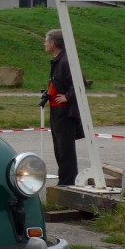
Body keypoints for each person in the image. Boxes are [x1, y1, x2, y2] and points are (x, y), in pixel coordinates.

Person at [44, 29, 84, 187]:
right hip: (56, 111)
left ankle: (67, 182)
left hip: (65, 112)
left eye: (46, 41)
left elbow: (79, 82)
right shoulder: (59, 60)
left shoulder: (67, 61)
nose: (44, 44)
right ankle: (64, 180)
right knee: (59, 147)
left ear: (53, 44)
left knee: (65, 149)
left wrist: (67, 96)